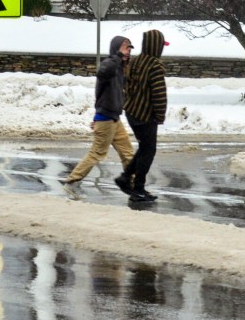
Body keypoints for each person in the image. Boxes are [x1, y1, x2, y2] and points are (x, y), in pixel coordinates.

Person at [61, 35, 135, 199]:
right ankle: (72, 182)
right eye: (125, 46)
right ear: (116, 48)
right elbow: (103, 72)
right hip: (106, 118)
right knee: (97, 152)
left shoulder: (120, 68)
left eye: (129, 47)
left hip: (114, 118)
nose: (128, 50)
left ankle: (135, 185)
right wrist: (118, 56)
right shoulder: (109, 64)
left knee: (127, 152)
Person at [117, 29, 168, 202]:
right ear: (157, 46)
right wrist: (160, 116)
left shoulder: (135, 61)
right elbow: (159, 94)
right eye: (162, 45)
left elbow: (127, 84)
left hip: (132, 111)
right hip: (145, 115)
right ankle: (138, 189)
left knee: (144, 147)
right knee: (149, 150)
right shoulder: (155, 65)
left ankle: (125, 178)